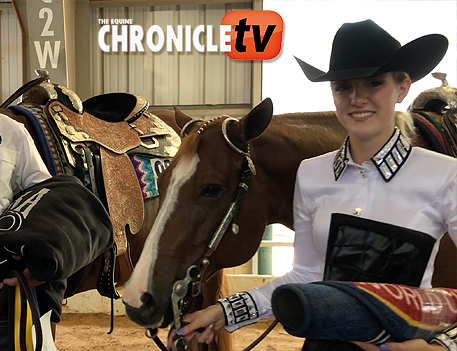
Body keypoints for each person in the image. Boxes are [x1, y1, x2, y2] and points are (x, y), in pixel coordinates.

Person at [171, 19, 457, 351]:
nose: (357, 99)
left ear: (403, 87)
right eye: (343, 87)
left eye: (374, 83)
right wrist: (224, 311)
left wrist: (443, 347)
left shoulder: (445, 175)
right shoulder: (311, 174)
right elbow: (305, 276)